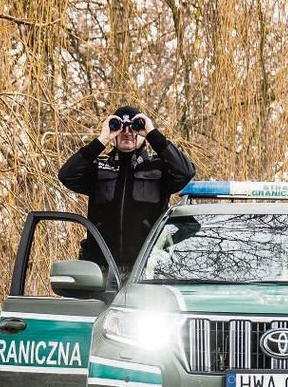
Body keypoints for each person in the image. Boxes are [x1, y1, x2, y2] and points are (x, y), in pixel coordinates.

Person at [58, 106, 196, 273]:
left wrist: (152, 133)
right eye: (120, 127)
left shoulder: (158, 168)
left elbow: (186, 172)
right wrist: (102, 139)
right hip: (101, 271)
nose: (127, 132)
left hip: (146, 271)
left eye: (134, 127)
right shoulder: (99, 168)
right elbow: (66, 175)